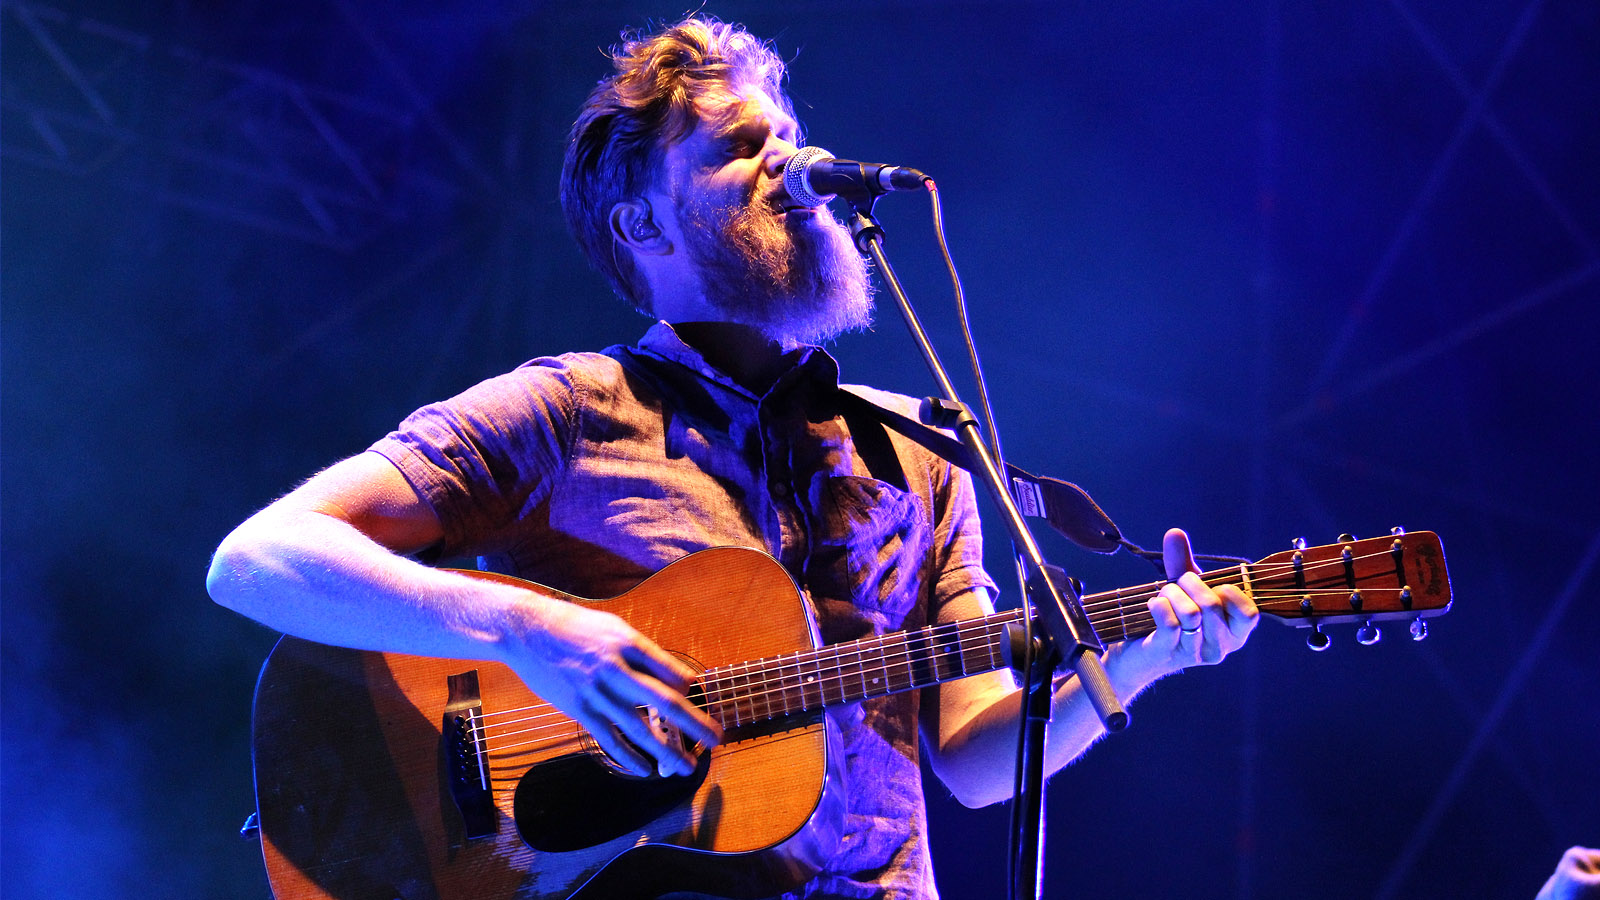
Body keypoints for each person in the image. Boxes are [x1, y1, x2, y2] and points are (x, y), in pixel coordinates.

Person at [207, 16, 1258, 899]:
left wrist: (1144, 657)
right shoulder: (570, 411)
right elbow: (259, 558)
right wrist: (528, 631)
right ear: (643, 224)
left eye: (788, 136)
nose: (791, 165)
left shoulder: (923, 450)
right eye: (741, 148)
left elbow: (977, 760)